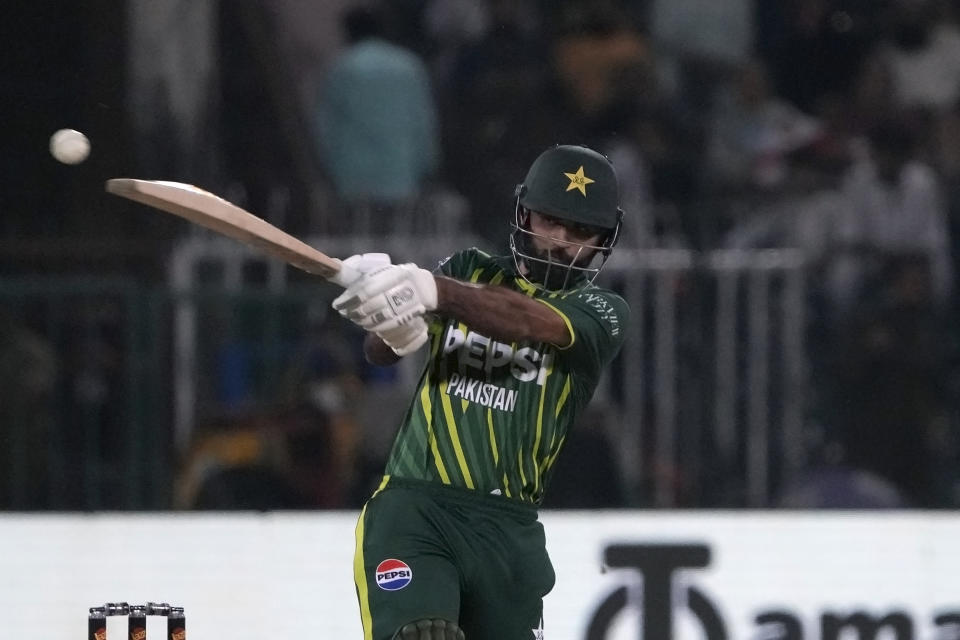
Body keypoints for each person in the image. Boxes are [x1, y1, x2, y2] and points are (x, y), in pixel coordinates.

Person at [331, 144, 630, 640]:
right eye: (548, 220)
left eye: (579, 231)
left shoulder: (603, 309)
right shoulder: (469, 267)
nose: (558, 241)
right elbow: (377, 352)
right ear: (523, 213)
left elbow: (529, 321)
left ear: (604, 239)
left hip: (509, 534)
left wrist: (435, 291)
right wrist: (391, 319)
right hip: (417, 511)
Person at [314, 5, 440, 234]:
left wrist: (327, 170)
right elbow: (423, 122)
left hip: (352, 177)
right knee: (398, 244)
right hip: (401, 173)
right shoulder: (409, 66)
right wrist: (427, 165)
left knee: (358, 244)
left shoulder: (342, 68)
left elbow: (327, 128)